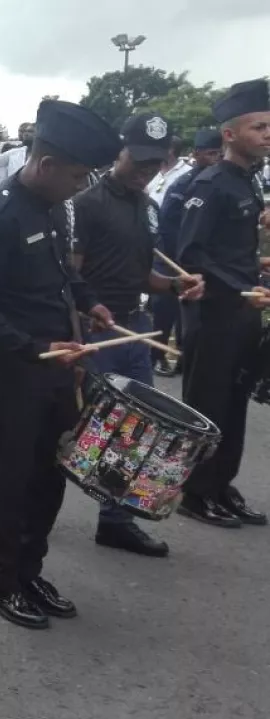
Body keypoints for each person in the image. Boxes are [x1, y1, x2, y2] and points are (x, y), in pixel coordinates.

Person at [0, 99, 121, 630]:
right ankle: (1, 582)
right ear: (46, 165)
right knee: (15, 478)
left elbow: (61, 275)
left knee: (52, 471)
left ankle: (31, 570)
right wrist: (32, 349)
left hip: (56, 363)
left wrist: (89, 300)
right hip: (14, 367)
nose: (81, 185)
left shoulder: (54, 206)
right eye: (76, 175)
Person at [70, 112, 205, 558]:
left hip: (136, 329)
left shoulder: (148, 208)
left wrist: (173, 286)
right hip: (94, 332)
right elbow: (70, 272)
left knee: (135, 432)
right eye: (139, 160)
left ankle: (115, 520)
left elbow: (143, 273)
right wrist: (83, 313)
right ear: (120, 153)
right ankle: (18, 498)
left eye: (155, 163)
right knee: (72, 426)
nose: (146, 170)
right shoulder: (86, 203)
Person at [175, 78, 270, 528]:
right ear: (230, 134)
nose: (268, 134)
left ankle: (221, 483)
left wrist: (259, 270)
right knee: (207, 404)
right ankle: (195, 491)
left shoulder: (248, 183)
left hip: (243, 312)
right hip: (214, 313)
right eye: (259, 126)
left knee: (234, 402)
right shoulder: (211, 184)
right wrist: (241, 289)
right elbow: (191, 253)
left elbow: (233, 251)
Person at [153, 128, 224, 377]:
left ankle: (185, 355)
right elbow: (168, 221)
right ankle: (158, 355)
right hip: (172, 254)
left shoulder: (221, 180)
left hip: (201, 259)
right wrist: (180, 256)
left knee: (190, 312)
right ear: (197, 153)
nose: (218, 158)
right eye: (212, 153)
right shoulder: (185, 183)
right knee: (164, 308)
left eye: (220, 152)